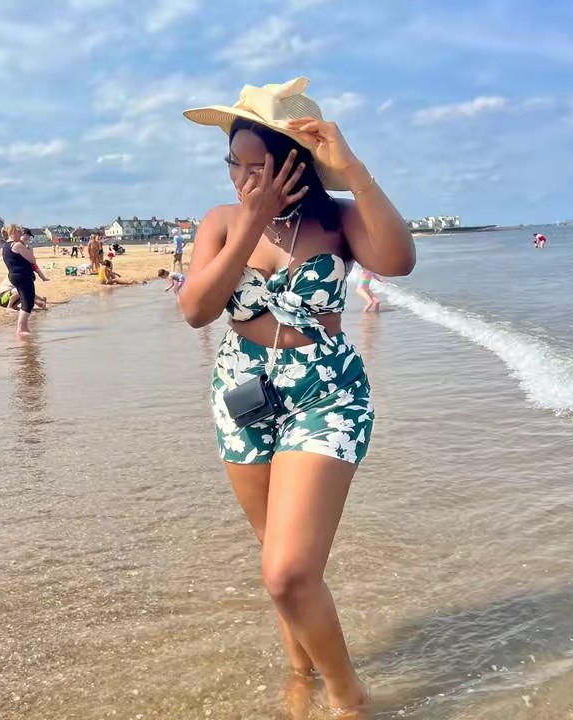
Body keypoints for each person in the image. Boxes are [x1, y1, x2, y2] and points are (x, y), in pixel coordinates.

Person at [180, 77, 415, 714]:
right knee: (275, 561)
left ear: (296, 164)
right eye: (234, 165)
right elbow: (197, 310)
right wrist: (253, 220)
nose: (242, 179)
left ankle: (348, 697)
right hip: (243, 392)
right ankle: (299, 670)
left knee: (288, 570)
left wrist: (353, 169)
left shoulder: (336, 220)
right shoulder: (221, 222)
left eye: (258, 167)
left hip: (327, 393)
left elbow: (399, 261)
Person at [2, 225, 49, 336]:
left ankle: (23, 327)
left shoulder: (6, 246)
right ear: (12, 232)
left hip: (15, 275)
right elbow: (32, 260)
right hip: (22, 276)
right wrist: (29, 250)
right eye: (19, 232)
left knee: (26, 300)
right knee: (27, 303)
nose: (21, 234)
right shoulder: (17, 245)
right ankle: (21, 329)